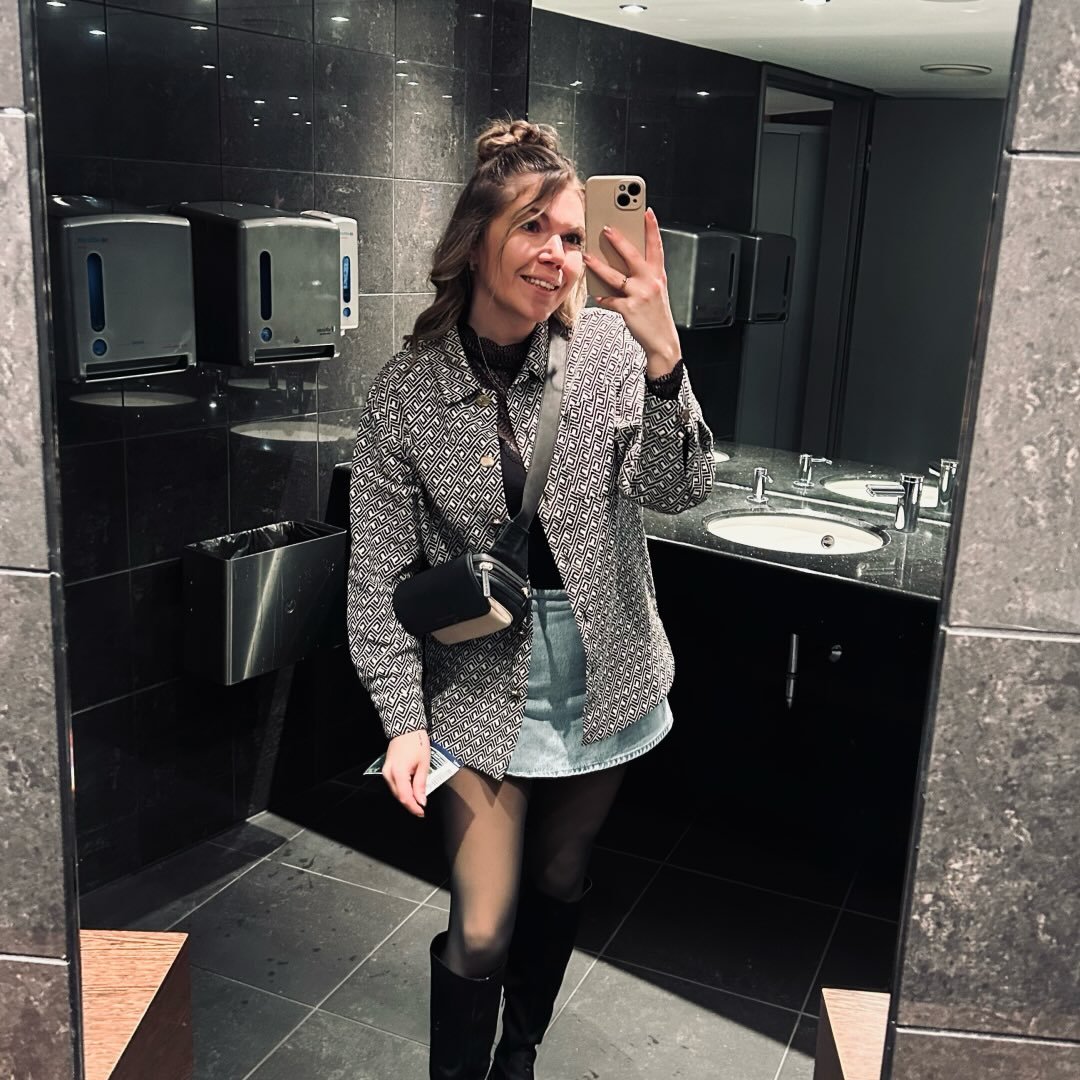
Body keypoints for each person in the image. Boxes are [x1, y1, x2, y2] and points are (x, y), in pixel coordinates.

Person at [347, 119, 713, 1079]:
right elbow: (376, 579)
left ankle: (520, 1051)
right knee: (481, 922)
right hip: (477, 678)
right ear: (477, 241)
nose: (558, 254)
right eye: (533, 229)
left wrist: (665, 360)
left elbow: (678, 488)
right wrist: (401, 720)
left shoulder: (608, 349)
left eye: (572, 235)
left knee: (560, 871)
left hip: (606, 664)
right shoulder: (406, 392)